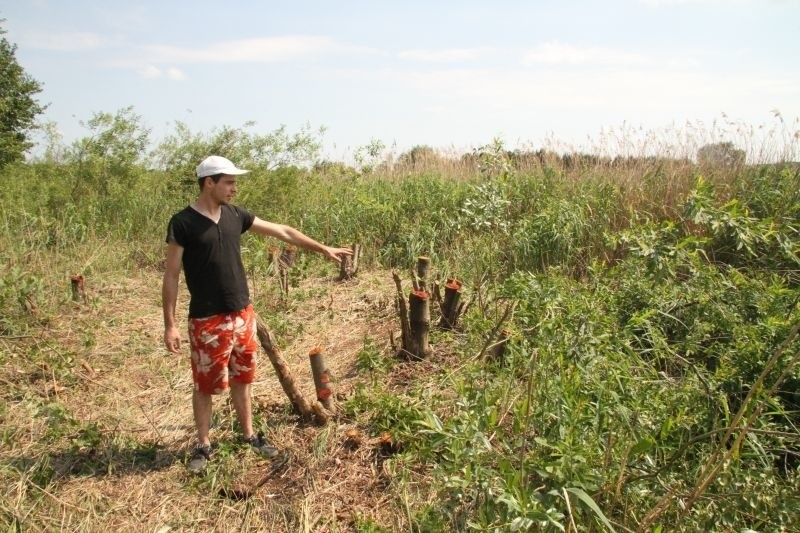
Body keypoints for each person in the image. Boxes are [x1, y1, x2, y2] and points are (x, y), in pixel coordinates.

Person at [162, 155, 352, 473]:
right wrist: (169, 325)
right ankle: (204, 445)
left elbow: (283, 231)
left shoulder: (235, 215)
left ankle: (249, 436)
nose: (235, 189)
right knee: (206, 385)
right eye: (229, 182)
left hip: (242, 315)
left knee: (243, 378)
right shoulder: (183, 223)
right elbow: (170, 275)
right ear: (209, 183)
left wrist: (323, 248)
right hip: (207, 320)